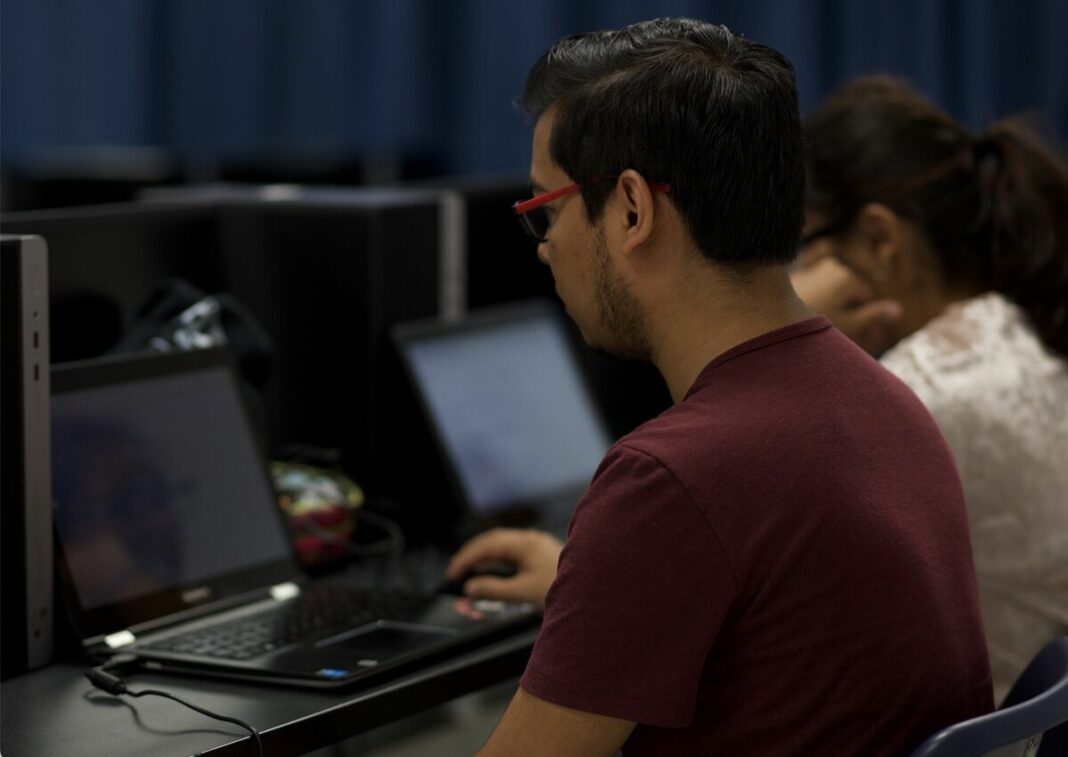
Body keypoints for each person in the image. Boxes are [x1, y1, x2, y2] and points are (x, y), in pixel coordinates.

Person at [446, 20, 992, 755]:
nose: (546, 248)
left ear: (633, 209)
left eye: (548, 211)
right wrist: (590, 588)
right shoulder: (885, 400)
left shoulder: (673, 480)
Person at [793, 74, 1068, 702]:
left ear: (880, 239)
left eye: (805, 248)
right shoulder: (1023, 326)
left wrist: (792, 335)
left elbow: (768, 614)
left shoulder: (918, 394)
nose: (793, 274)